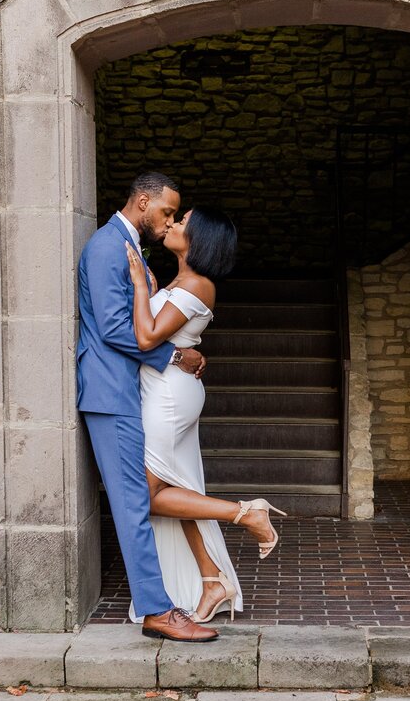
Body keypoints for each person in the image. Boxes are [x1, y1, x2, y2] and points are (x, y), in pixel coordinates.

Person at [125, 205, 287, 624]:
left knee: (143, 497)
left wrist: (141, 286)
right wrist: (153, 292)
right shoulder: (181, 281)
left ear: (199, 239)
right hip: (164, 389)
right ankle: (212, 580)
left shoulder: (198, 283)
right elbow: (159, 334)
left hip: (169, 399)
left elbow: (145, 337)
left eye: (183, 222)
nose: (174, 223)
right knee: (178, 492)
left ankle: (245, 513)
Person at [76, 172, 218, 643]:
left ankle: (178, 595)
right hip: (110, 392)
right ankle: (159, 611)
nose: (169, 221)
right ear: (142, 202)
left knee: (139, 500)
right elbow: (119, 330)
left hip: (124, 391)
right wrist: (176, 354)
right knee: (135, 504)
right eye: (167, 212)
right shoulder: (107, 246)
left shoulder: (130, 246)